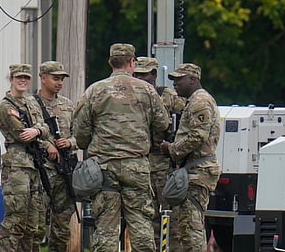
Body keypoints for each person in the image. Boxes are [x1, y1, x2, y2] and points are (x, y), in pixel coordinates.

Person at [73, 43, 170, 251]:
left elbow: (80, 133)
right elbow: (163, 124)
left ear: (110, 63)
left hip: (104, 169)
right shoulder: (147, 91)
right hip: (137, 167)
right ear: (132, 63)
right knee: (141, 224)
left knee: (106, 229)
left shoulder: (95, 91)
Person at [160, 63, 221, 251]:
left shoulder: (200, 102)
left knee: (191, 226)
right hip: (193, 170)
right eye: (173, 80)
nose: (175, 84)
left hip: (197, 172)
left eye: (179, 79)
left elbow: (197, 135)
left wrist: (172, 149)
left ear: (193, 80)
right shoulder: (195, 101)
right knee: (185, 225)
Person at [0, 64, 52, 251]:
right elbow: (21, 133)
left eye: (26, 78)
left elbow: (45, 128)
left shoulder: (31, 103)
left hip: (34, 164)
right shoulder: (6, 105)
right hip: (17, 166)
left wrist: (37, 130)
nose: (22, 81)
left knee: (33, 222)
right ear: (11, 79)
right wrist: (38, 131)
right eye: (19, 77)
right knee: (16, 218)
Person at [133, 57, 186, 250]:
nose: (140, 78)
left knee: (171, 214)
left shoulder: (167, 95)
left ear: (154, 75)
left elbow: (186, 119)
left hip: (163, 162)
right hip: (141, 163)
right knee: (146, 215)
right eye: (136, 74)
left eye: (144, 75)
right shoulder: (131, 96)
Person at [29, 61, 78, 251]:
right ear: (43, 78)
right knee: (36, 222)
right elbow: (22, 133)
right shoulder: (30, 104)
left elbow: (80, 134)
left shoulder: (67, 105)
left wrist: (70, 143)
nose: (59, 83)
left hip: (64, 171)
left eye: (61, 79)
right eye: (55, 78)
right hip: (41, 170)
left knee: (63, 224)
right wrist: (46, 144)